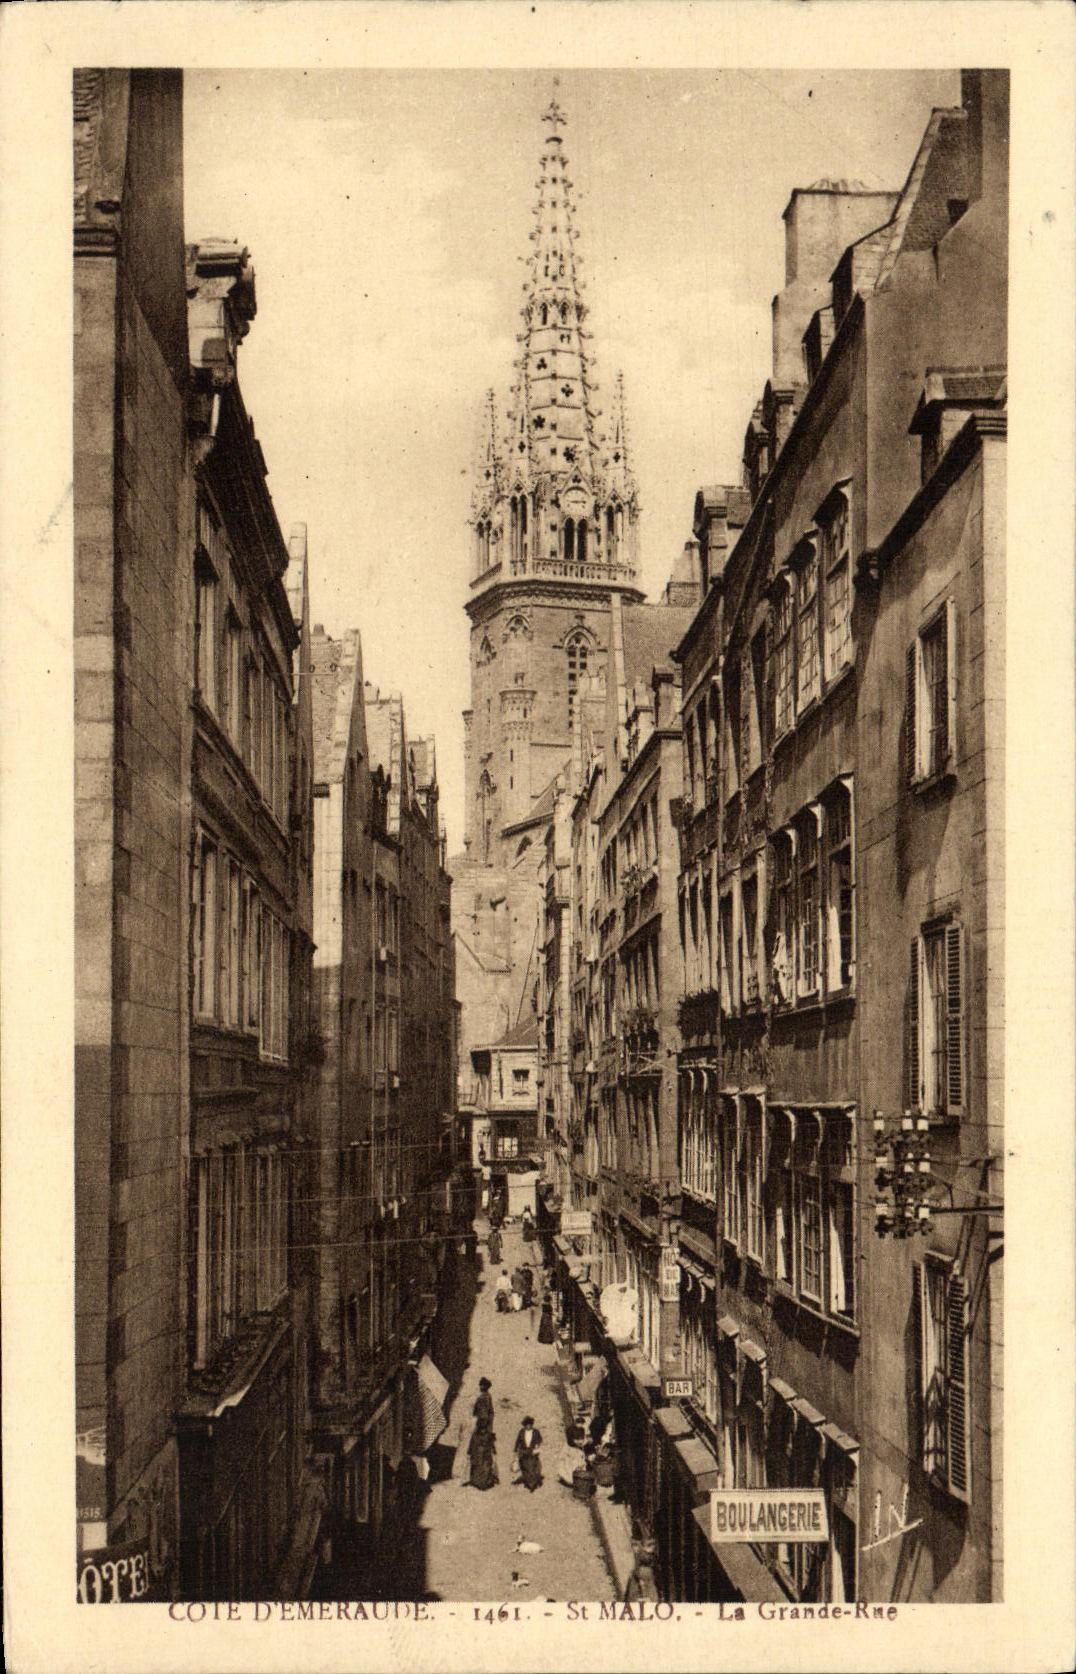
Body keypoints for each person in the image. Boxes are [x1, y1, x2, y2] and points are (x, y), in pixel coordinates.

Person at [466, 1415, 498, 1490]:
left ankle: (484, 1483)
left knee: (485, 1468)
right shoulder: (475, 1435)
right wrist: (469, 1452)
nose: (483, 1430)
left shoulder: (488, 1435)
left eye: (484, 1428)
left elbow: (491, 1443)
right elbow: (472, 1444)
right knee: (476, 1468)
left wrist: (493, 1450)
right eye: (481, 1428)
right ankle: (476, 1482)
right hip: (476, 1454)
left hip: (485, 1454)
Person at [513, 1418, 543, 1492]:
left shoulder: (536, 1432)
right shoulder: (522, 1432)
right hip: (523, 1452)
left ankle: (532, 1485)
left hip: (532, 1452)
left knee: (532, 1467)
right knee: (525, 1467)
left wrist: (537, 1445)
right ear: (524, 1425)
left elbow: (540, 1439)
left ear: (532, 1425)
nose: (528, 1426)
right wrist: (515, 1450)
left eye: (530, 1425)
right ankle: (527, 1482)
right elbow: (518, 1441)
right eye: (526, 1425)